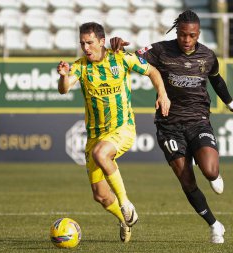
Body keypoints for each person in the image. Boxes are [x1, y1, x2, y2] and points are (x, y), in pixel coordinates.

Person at [110, 10, 233, 243]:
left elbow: (216, 81)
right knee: (187, 180)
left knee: (211, 172)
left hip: (198, 120)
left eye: (191, 36)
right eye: (183, 35)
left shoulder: (207, 56)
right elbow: (133, 58)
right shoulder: (160, 51)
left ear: (198, 34)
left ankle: (210, 171)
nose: (186, 40)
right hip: (168, 124)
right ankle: (214, 225)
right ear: (177, 32)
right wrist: (119, 48)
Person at [57, 22, 170, 243]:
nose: (86, 47)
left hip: (122, 128)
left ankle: (126, 203)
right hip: (95, 136)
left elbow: (152, 71)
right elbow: (64, 89)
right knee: (99, 195)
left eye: (89, 42)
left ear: (101, 41)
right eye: (82, 43)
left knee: (101, 154)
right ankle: (124, 219)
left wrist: (162, 94)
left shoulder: (121, 58)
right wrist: (63, 76)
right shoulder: (80, 66)